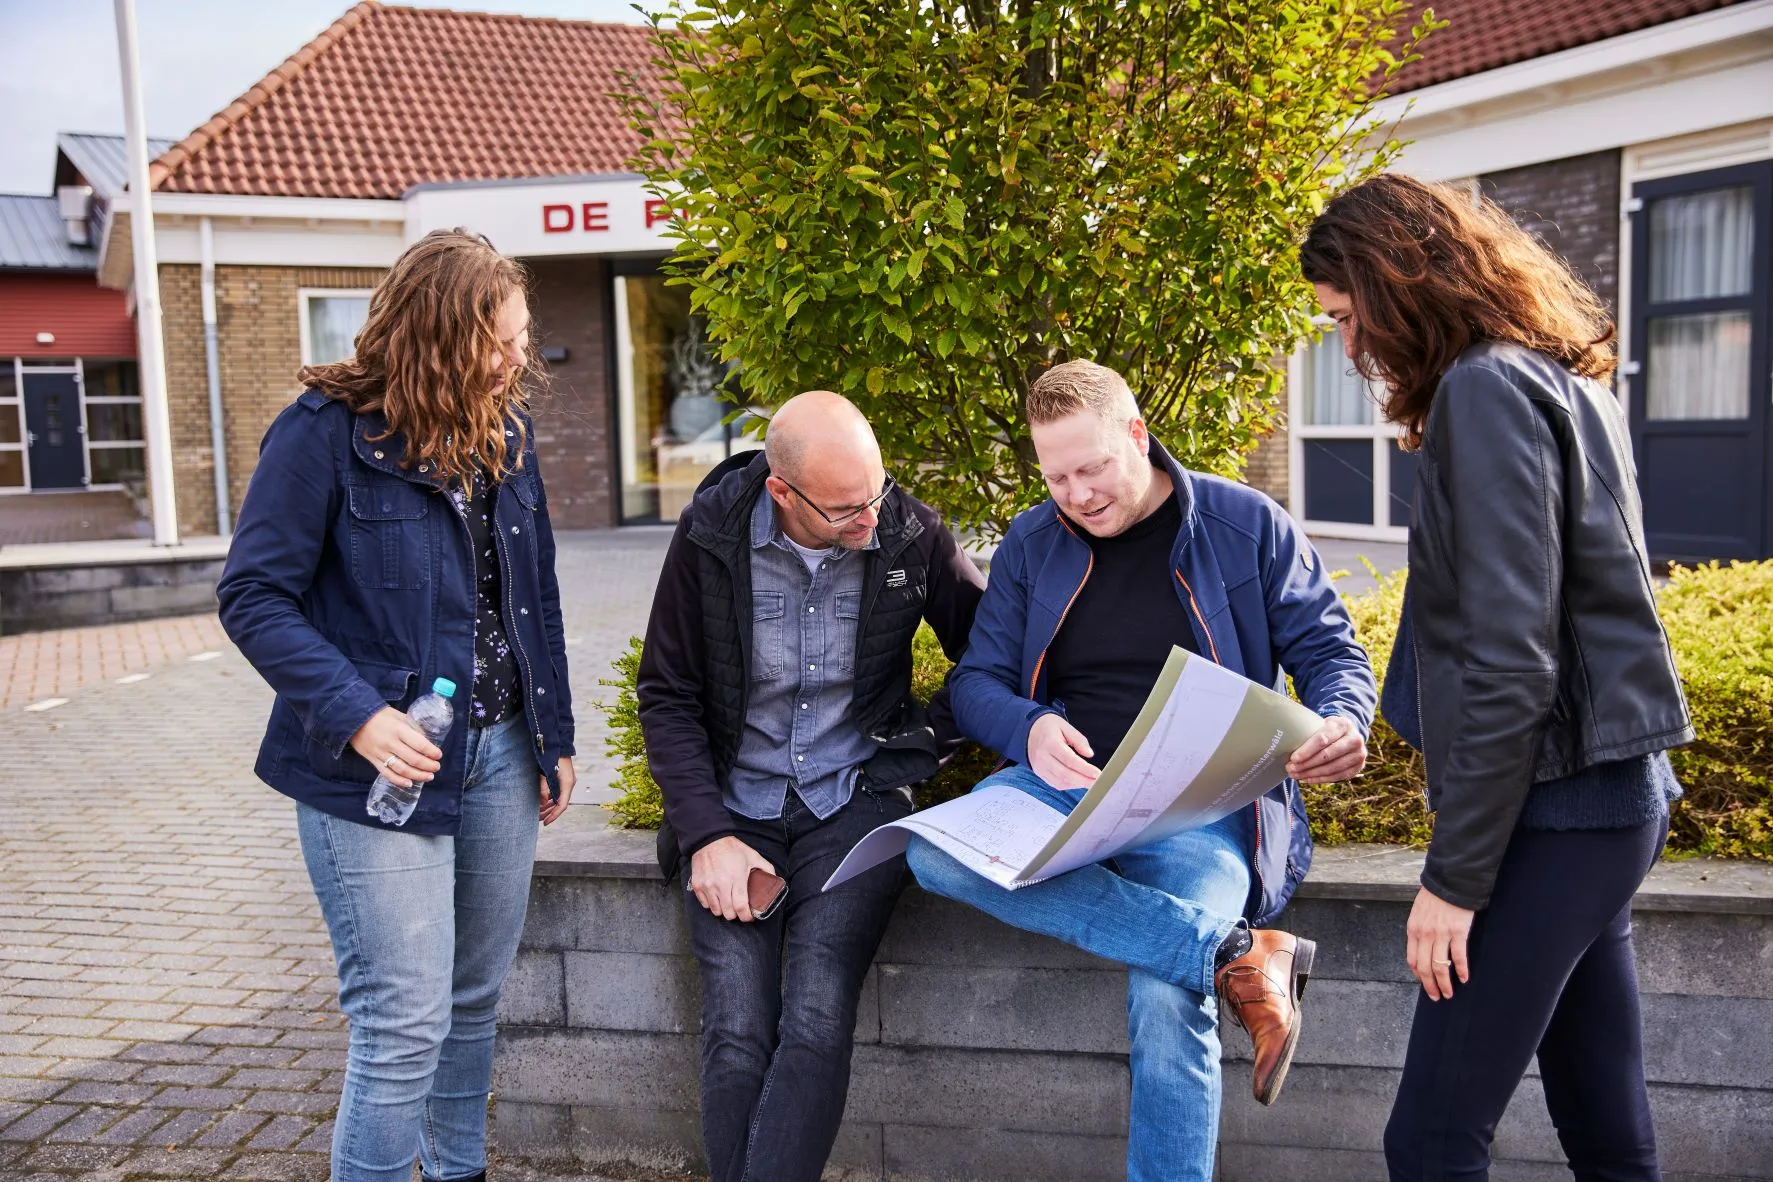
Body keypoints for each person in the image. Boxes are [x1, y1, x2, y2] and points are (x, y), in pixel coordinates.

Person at [1301, 173, 1694, 1181]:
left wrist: (1453, 880)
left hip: (1557, 817)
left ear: (1396, 286)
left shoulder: (1482, 391)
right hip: (1610, 801)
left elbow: (1513, 662)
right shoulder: (1562, 380)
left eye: (1346, 317)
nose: (1347, 347)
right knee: (1603, 1123)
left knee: (1431, 1141)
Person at [905, 360, 1377, 1182]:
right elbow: (975, 681)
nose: (1076, 495)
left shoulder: (1243, 523)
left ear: (1136, 434)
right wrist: (1028, 725)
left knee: (1166, 995)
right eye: (1055, 478)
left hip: (1202, 809)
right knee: (931, 853)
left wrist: (1341, 719)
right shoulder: (1031, 542)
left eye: (1090, 469)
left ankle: (1205, 963)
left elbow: (1332, 653)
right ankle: (1232, 952)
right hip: (1062, 787)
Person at [217, 229, 576, 1182]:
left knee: (471, 1005)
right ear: (438, 336)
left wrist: (555, 735)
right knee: (404, 1023)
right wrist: (360, 715)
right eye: (499, 342)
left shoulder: (506, 434)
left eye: (521, 337)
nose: (516, 359)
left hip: (501, 755)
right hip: (372, 770)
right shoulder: (320, 435)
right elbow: (253, 597)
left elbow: (530, 598)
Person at [636, 391, 985, 1182]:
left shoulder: (909, 530)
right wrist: (706, 836)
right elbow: (667, 694)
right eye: (843, 509)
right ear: (781, 492)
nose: (869, 518)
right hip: (733, 813)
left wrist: (924, 742)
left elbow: (990, 654)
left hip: (855, 806)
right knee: (735, 1025)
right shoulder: (710, 534)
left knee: (818, 1014)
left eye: (875, 492)